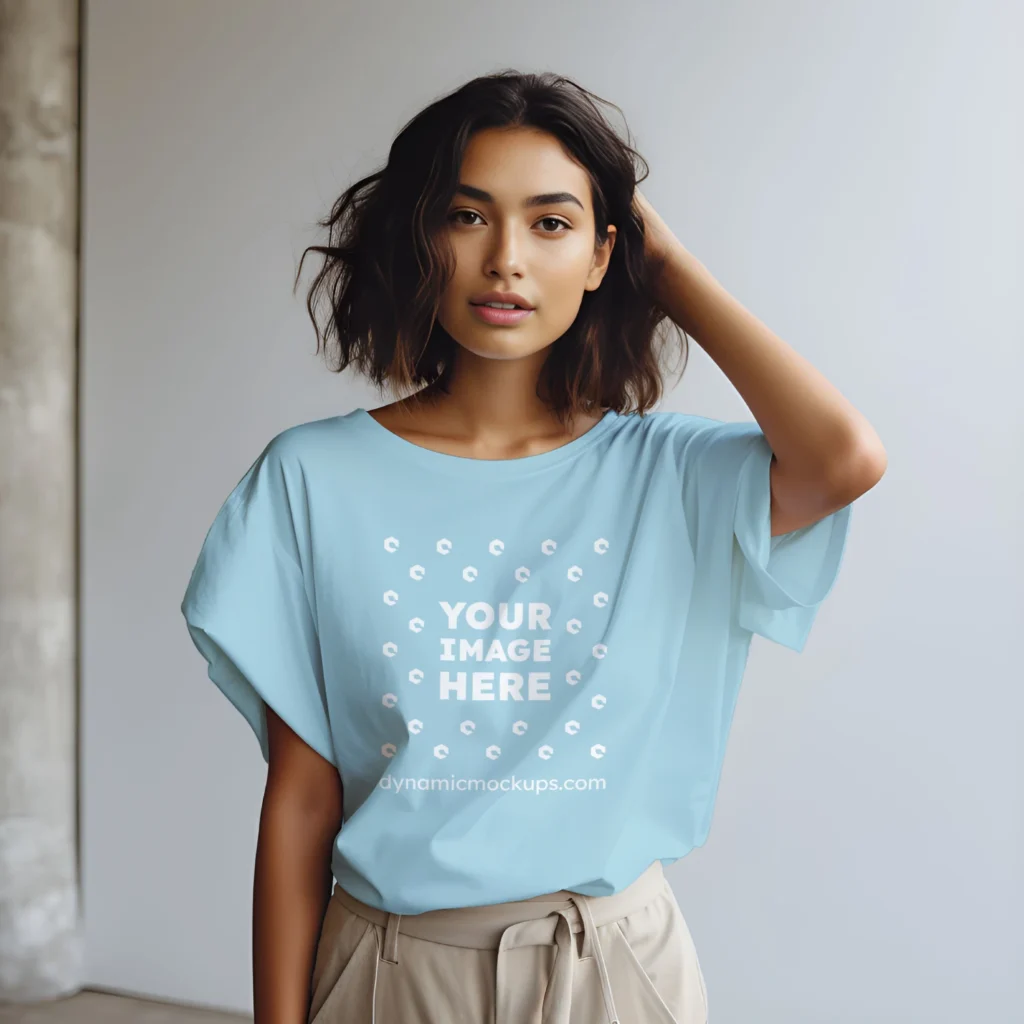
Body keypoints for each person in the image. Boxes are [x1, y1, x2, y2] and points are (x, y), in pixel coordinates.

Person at [180, 69, 886, 1024]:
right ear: (421, 239)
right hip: (389, 970)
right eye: (467, 217)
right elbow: (302, 799)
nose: (505, 258)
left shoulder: (671, 476)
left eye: (550, 223)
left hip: (614, 970)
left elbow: (844, 457)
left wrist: (667, 267)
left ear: (606, 255)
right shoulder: (312, 480)